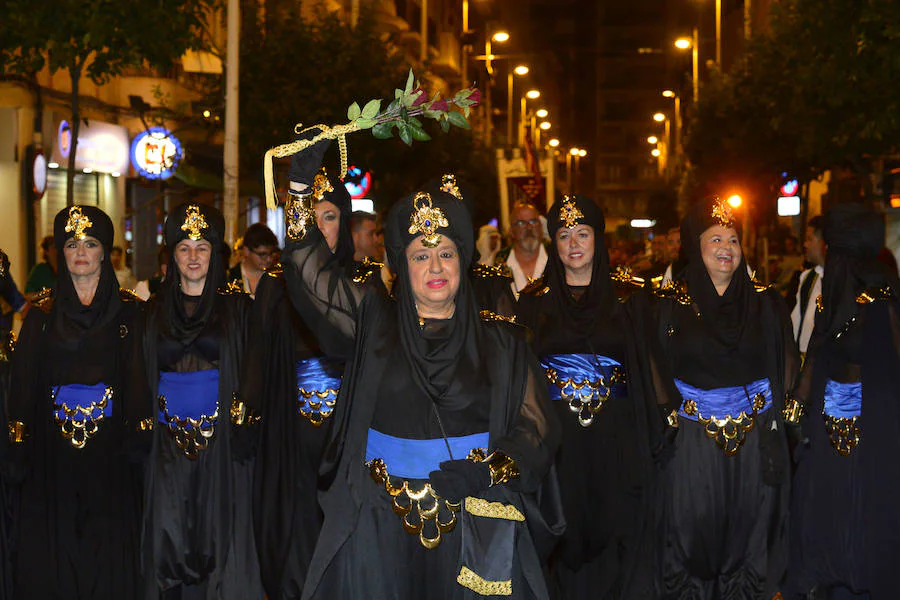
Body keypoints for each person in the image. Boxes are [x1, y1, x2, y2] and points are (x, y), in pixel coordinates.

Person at [272, 128, 562, 599]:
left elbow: (539, 431)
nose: (434, 268)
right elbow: (311, 277)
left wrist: (489, 471)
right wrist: (301, 187)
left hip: (473, 519)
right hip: (378, 524)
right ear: (402, 266)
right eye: (420, 255)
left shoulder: (501, 341)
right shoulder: (372, 326)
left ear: (462, 261)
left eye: (445, 254)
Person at [517, 195, 670, 599]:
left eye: (582, 233)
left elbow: (647, 364)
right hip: (560, 439)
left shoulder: (629, 297)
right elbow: (521, 373)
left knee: (618, 531)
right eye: (564, 235)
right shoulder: (534, 300)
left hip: (616, 438)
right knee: (564, 533)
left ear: (597, 239)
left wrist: (661, 427)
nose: (573, 243)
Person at [652, 197, 798, 599]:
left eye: (733, 239)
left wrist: (775, 421)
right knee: (690, 531)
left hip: (752, 442)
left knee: (748, 529)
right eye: (715, 238)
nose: (726, 248)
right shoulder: (668, 305)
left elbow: (785, 359)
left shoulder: (765, 302)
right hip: (691, 443)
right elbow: (654, 366)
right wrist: (668, 417)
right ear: (695, 248)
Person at [242, 168, 377, 600]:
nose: (320, 226)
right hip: (289, 448)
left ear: (346, 221)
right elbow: (256, 369)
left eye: (331, 215)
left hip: (346, 450)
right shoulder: (274, 287)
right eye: (310, 215)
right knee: (293, 567)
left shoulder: (365, 284)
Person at [8, 206, 143, 598]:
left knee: (109, 554)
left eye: (91, 243)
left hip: (113, 455)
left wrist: (140, 443)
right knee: (59, 551)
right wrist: (18, 448)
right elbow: (23, 383)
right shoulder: (42, 315)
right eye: (72, 244)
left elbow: (140, 380)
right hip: (54, 455)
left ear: (106, 252)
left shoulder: (131, 312)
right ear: (60, 254)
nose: (81, 251)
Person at [135, 202, 262, 599]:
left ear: (216, 253)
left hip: (222, 448)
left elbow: (253, 377)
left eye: (202, 247)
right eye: (184, 247)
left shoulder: (239, 309)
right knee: (168, 538)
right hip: (168, 450)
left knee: (220, 539)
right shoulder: (152, 312)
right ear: (172, 255)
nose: (193, 256)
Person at [785, 205, 900, 600]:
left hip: (876, 420)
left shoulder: (881, 292)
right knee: (832, 506)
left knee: (865, 506)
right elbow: (818, 350)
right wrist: (796, 409)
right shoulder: (833, 292)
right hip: (831, 418)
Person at [488, 202, 548, 298]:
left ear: (541, 226)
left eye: (533, 221)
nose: (529, 227)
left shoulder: (555, 256)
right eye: (521, 223)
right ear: (511, 231)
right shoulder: (500, 261)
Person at [791, 216, 826, 357]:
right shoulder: (807, 278)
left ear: (824, 243)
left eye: (810, 239)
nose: (805, 244)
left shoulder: (844, 281)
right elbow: (796, 323)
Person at [228, 223, 279, 298]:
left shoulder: (276, 279)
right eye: (262, 254)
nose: (269, 259)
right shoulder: (229, 277)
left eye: (271, 254)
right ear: (246, 251)